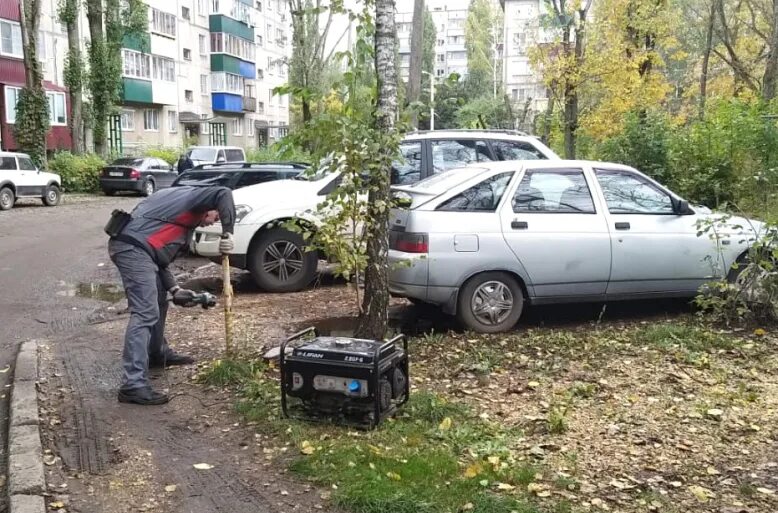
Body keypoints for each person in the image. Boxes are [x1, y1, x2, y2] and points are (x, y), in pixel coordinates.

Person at [107, 185, 235, 405]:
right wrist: (228, 232)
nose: (215, 220)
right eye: (216, 215)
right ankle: (133, 385)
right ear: (210, 206)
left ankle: (157, 354)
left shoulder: (179, 212)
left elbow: (159, 258)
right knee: (145, 312)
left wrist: (175, 289)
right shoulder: (193, 198)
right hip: (132, 250)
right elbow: (224, 192)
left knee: (160, 301)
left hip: (140, 249)